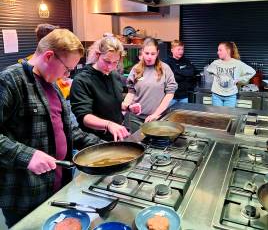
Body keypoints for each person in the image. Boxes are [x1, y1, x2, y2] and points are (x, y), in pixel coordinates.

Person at [0, 29, 102, 228]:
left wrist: (104, 147)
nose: (67, 75)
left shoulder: (52, 84)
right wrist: (26, 155)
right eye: (67, 69)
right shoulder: (10, 80)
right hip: (25, 194)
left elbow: (69, 130)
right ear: (48, 56)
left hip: (58, 186)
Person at [70, 37, 141, 141]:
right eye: (107, 61)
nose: (110, 67)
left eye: (115, 62)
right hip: (94, 140)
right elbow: (84, 117)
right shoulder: (82, 80)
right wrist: (108, 125)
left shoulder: (114, 75)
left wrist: (128, 108)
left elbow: (109, 104)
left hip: (115, 135)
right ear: (97, 55)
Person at [123, 37, 177, 132]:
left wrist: (156, 114)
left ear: (158, 53)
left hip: (156, 118)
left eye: (153, 54)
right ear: (142, 52)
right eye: (146, 53)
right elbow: (131, 92)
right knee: (137, 145)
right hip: (135, 118)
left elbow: (170, 94)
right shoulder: (136, 69)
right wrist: (125, 105)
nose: (149, 57)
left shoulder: (165, 69)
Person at [207, 41, 255, 107]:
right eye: (218, 50)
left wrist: (239, 79)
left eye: (220, 50)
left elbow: (252, 72)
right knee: (217, 116)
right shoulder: (215, 63)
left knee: (228, 117)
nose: (218, 52)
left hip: (230, 97)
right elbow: (209, 71)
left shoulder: (237, 63)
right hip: (216, 95)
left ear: (228, 51)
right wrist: (217, 78)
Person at [165, 40, 196, 105]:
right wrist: (184, 75)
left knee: (183, 114)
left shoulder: (186, 61)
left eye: (182, 49)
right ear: (172, 50)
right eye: (178, 49)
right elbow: (172, 78)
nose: (181, 51)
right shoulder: (167, 62)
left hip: (184, 96)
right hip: (171, 96)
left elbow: (191, 72)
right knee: (169, 114)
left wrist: (176, 70)